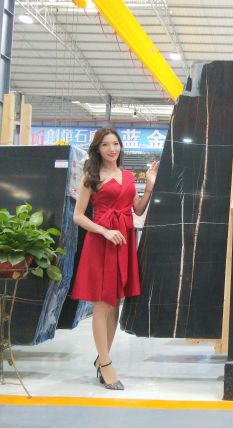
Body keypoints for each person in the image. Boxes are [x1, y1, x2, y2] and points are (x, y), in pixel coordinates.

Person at [71, 128, 159, 390]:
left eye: (116, 144)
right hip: (101, 242)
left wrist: (150, 185)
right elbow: (78, 216)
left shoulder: (128, 176)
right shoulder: (91, 176)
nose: (112, 149)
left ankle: (103, 360)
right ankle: (106, 364)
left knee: (115, 302)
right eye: (106, 145)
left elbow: (138, 209)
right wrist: (105, 231)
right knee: (103, 303)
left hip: (124, 240)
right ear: (97, 149)